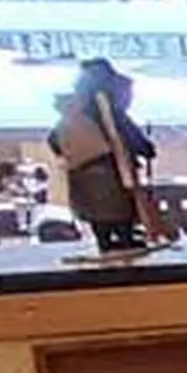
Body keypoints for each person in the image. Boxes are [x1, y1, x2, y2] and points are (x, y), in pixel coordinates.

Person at [49, 59, 158, 251]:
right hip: (109, 169)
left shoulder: (72, 112)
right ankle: (123, 237)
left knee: (97, 213)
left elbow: (54, 140)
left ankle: (107, 239)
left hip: (82, 171)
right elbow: (125, 130)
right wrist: (144, 148)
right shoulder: (105, 107)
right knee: (118, 209)